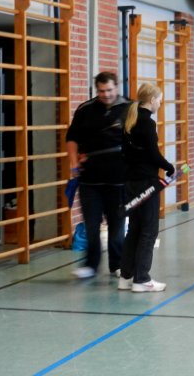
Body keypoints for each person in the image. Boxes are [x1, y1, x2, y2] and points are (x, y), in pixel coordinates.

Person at [66, 72, 130, 279]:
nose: (106, 94)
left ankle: (118, 264)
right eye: (101, 91)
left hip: (119, 179)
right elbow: (72, 138)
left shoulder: (130, 108)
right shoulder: (85, 109)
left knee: (117, 225)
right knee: (92, 225)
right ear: (96, 90)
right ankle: (91, 265)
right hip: (89, 180)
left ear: (116, 87)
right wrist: (74, 163)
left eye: (109, 90)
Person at [118, 83, 174, 292]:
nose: (160, 103)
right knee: (149, 230)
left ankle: (126, 276)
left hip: (130, 182)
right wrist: (169, 167)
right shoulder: (147, 123)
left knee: (134, 228)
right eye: (159, 100)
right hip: (146, 184)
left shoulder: (129, 120)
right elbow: (153, 154)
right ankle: (141, 279)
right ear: (152, 100)